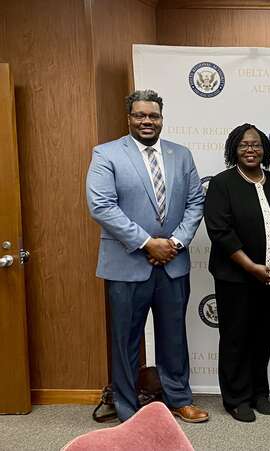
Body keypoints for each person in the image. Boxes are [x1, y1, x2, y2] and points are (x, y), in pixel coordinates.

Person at [86, 89, 207, 423]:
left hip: (173, 263)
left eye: (153, 115)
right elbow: (101, 205)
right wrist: (146, 243)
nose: (147, 121)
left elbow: (196, 201)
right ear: (129, 118)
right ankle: (128, 408)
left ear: (161, 118)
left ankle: (179, 399)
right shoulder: (106, 154)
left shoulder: (181, 155)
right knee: (125, 341)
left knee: (173, 336)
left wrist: (176, 243)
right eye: (140, 115)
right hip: (127, 265)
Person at [204, 123, 270, 422]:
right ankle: (236, 397)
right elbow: (220, 230)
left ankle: (259, 392)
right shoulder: (222, 183)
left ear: (265, 149)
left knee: (263, 335)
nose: (251, 150)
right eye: (243, 145)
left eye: (256, 145)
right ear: (234, 150)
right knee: (236, 337)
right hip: (236, 278)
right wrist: (251, 267)